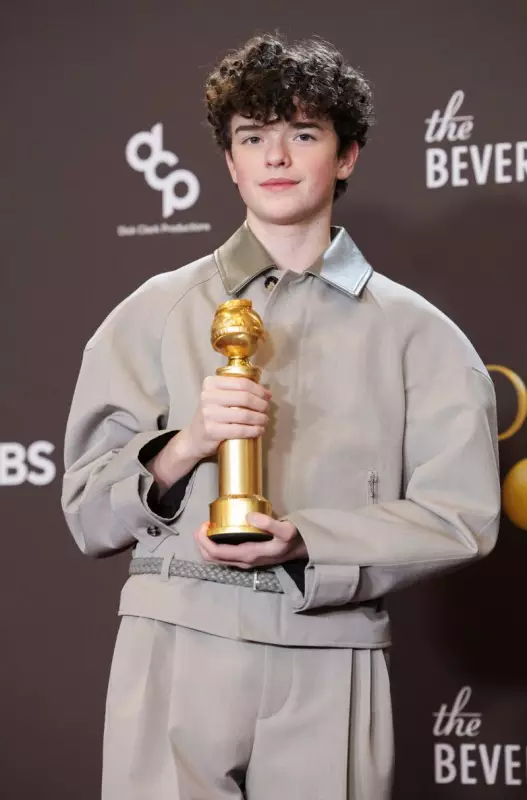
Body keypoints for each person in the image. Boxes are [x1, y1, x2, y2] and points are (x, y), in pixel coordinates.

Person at [61, 33, 501, 800]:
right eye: (252, 137)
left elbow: (460, 517)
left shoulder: (420, 334)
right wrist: (185, 445)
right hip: (175, 635)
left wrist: (307, 541)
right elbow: (86, 514)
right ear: (230, 162)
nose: (275, 156)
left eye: (302, 134)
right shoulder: (151, 313)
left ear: (346, 154)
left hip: (330, 647)